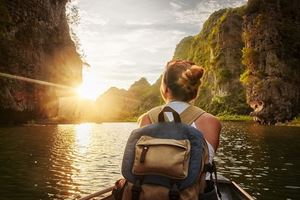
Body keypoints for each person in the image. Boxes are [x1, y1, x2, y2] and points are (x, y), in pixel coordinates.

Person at [138, 60, 221, 163]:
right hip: (196, 180)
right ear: (195, 91)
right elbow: (206, 161)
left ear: (165, 88)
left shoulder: (147, 118)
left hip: (152, 179)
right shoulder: (211, 122)